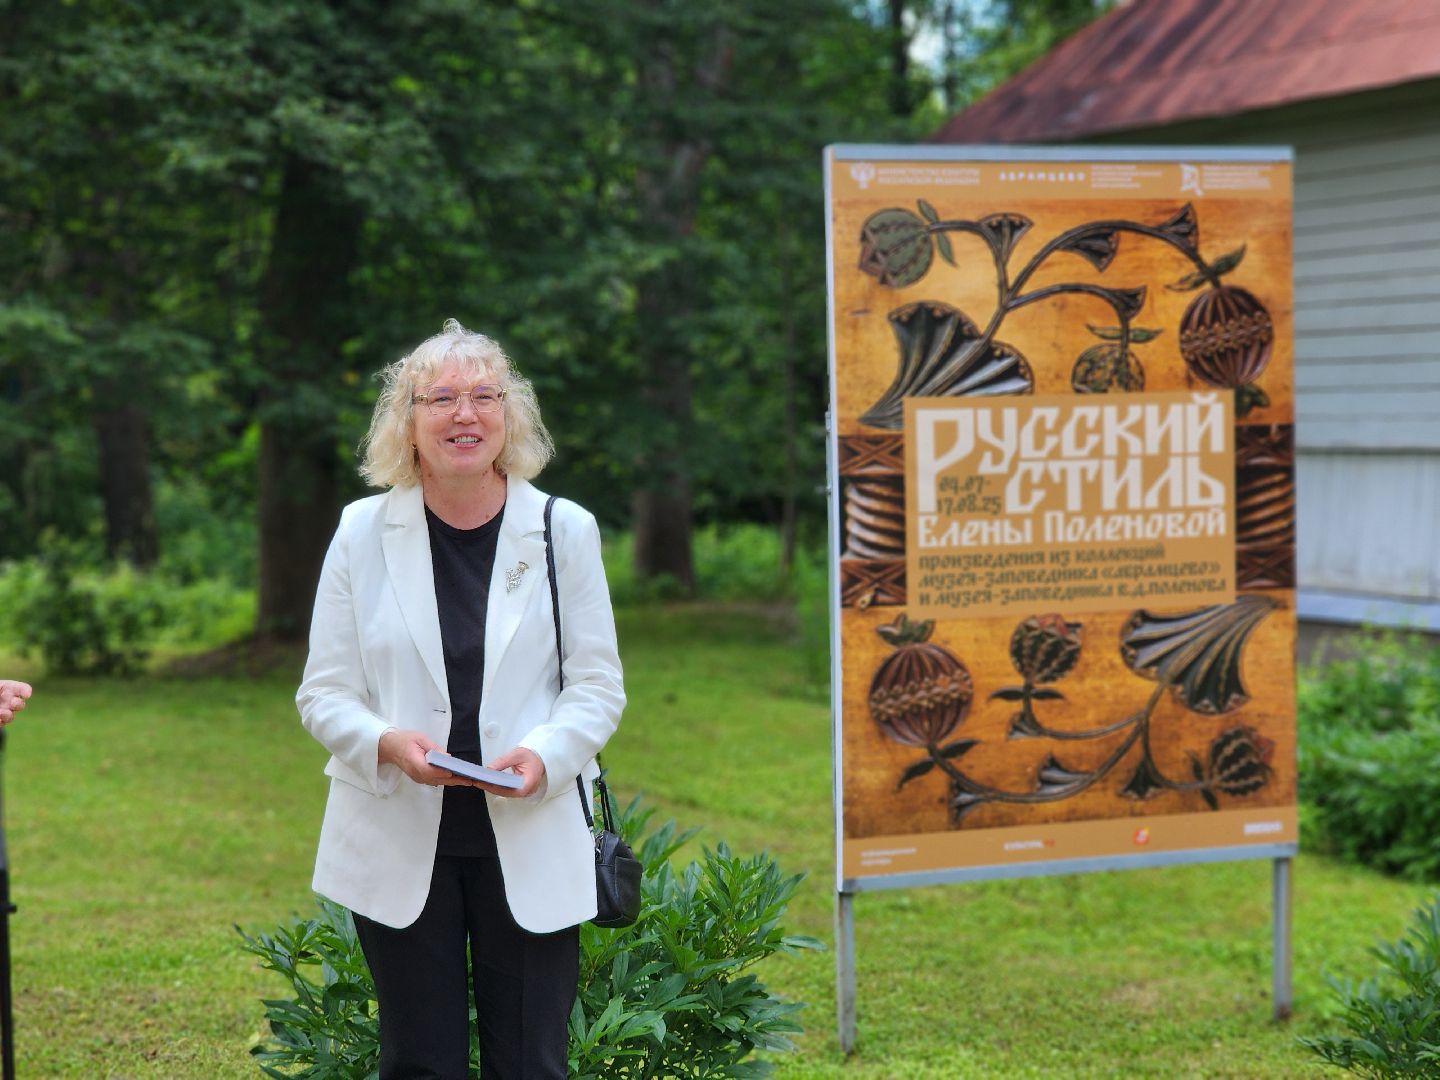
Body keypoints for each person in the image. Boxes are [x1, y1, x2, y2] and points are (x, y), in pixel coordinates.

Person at [297, 319, 625, 1079]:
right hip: (398, 836)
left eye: (484, 395)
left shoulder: (562, 530)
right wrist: (386, 742)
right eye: (440, 397)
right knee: (418, 1063)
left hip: (531, 830)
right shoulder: (359, 533)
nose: (463, 414)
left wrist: (544, 758)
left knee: (530, 1064)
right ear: (407, 422)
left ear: (510, 415)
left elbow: (597, 687)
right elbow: (323, 693)